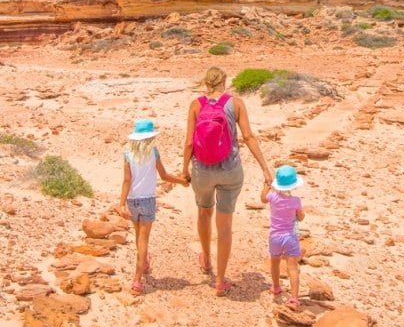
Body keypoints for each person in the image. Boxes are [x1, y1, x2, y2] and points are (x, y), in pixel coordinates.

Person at [182, 66, 272, 296]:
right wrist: (264, 167)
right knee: (225, 226)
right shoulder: (236, 103)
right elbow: (248, 136)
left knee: (203, 212)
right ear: (224, 82)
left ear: (206, 82)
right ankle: (221, 280)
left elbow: (189, 142)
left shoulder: (196, 104)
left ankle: (206, 260)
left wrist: (184, 169)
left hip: (202, 170)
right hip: (230, 169)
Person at [118, 118, 189, 295]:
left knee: (138, 235)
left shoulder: (127, 153)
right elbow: (164, 176)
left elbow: (127, 180)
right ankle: (137, 280)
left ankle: (145, 263)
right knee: (144, 239)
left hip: (132, 200)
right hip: (148, 200)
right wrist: (181, 181)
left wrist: (121, 203)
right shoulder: (153, 152)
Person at [261, 164, 305, 309]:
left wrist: (266, 185)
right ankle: (294, 298)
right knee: (292, 267)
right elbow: (301, 217)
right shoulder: (296, 201)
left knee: (275, 262)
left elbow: (263, 198)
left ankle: (276, 287)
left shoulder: (273, 197)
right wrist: (296, 214)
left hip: (274, 236)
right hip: (290, 237)